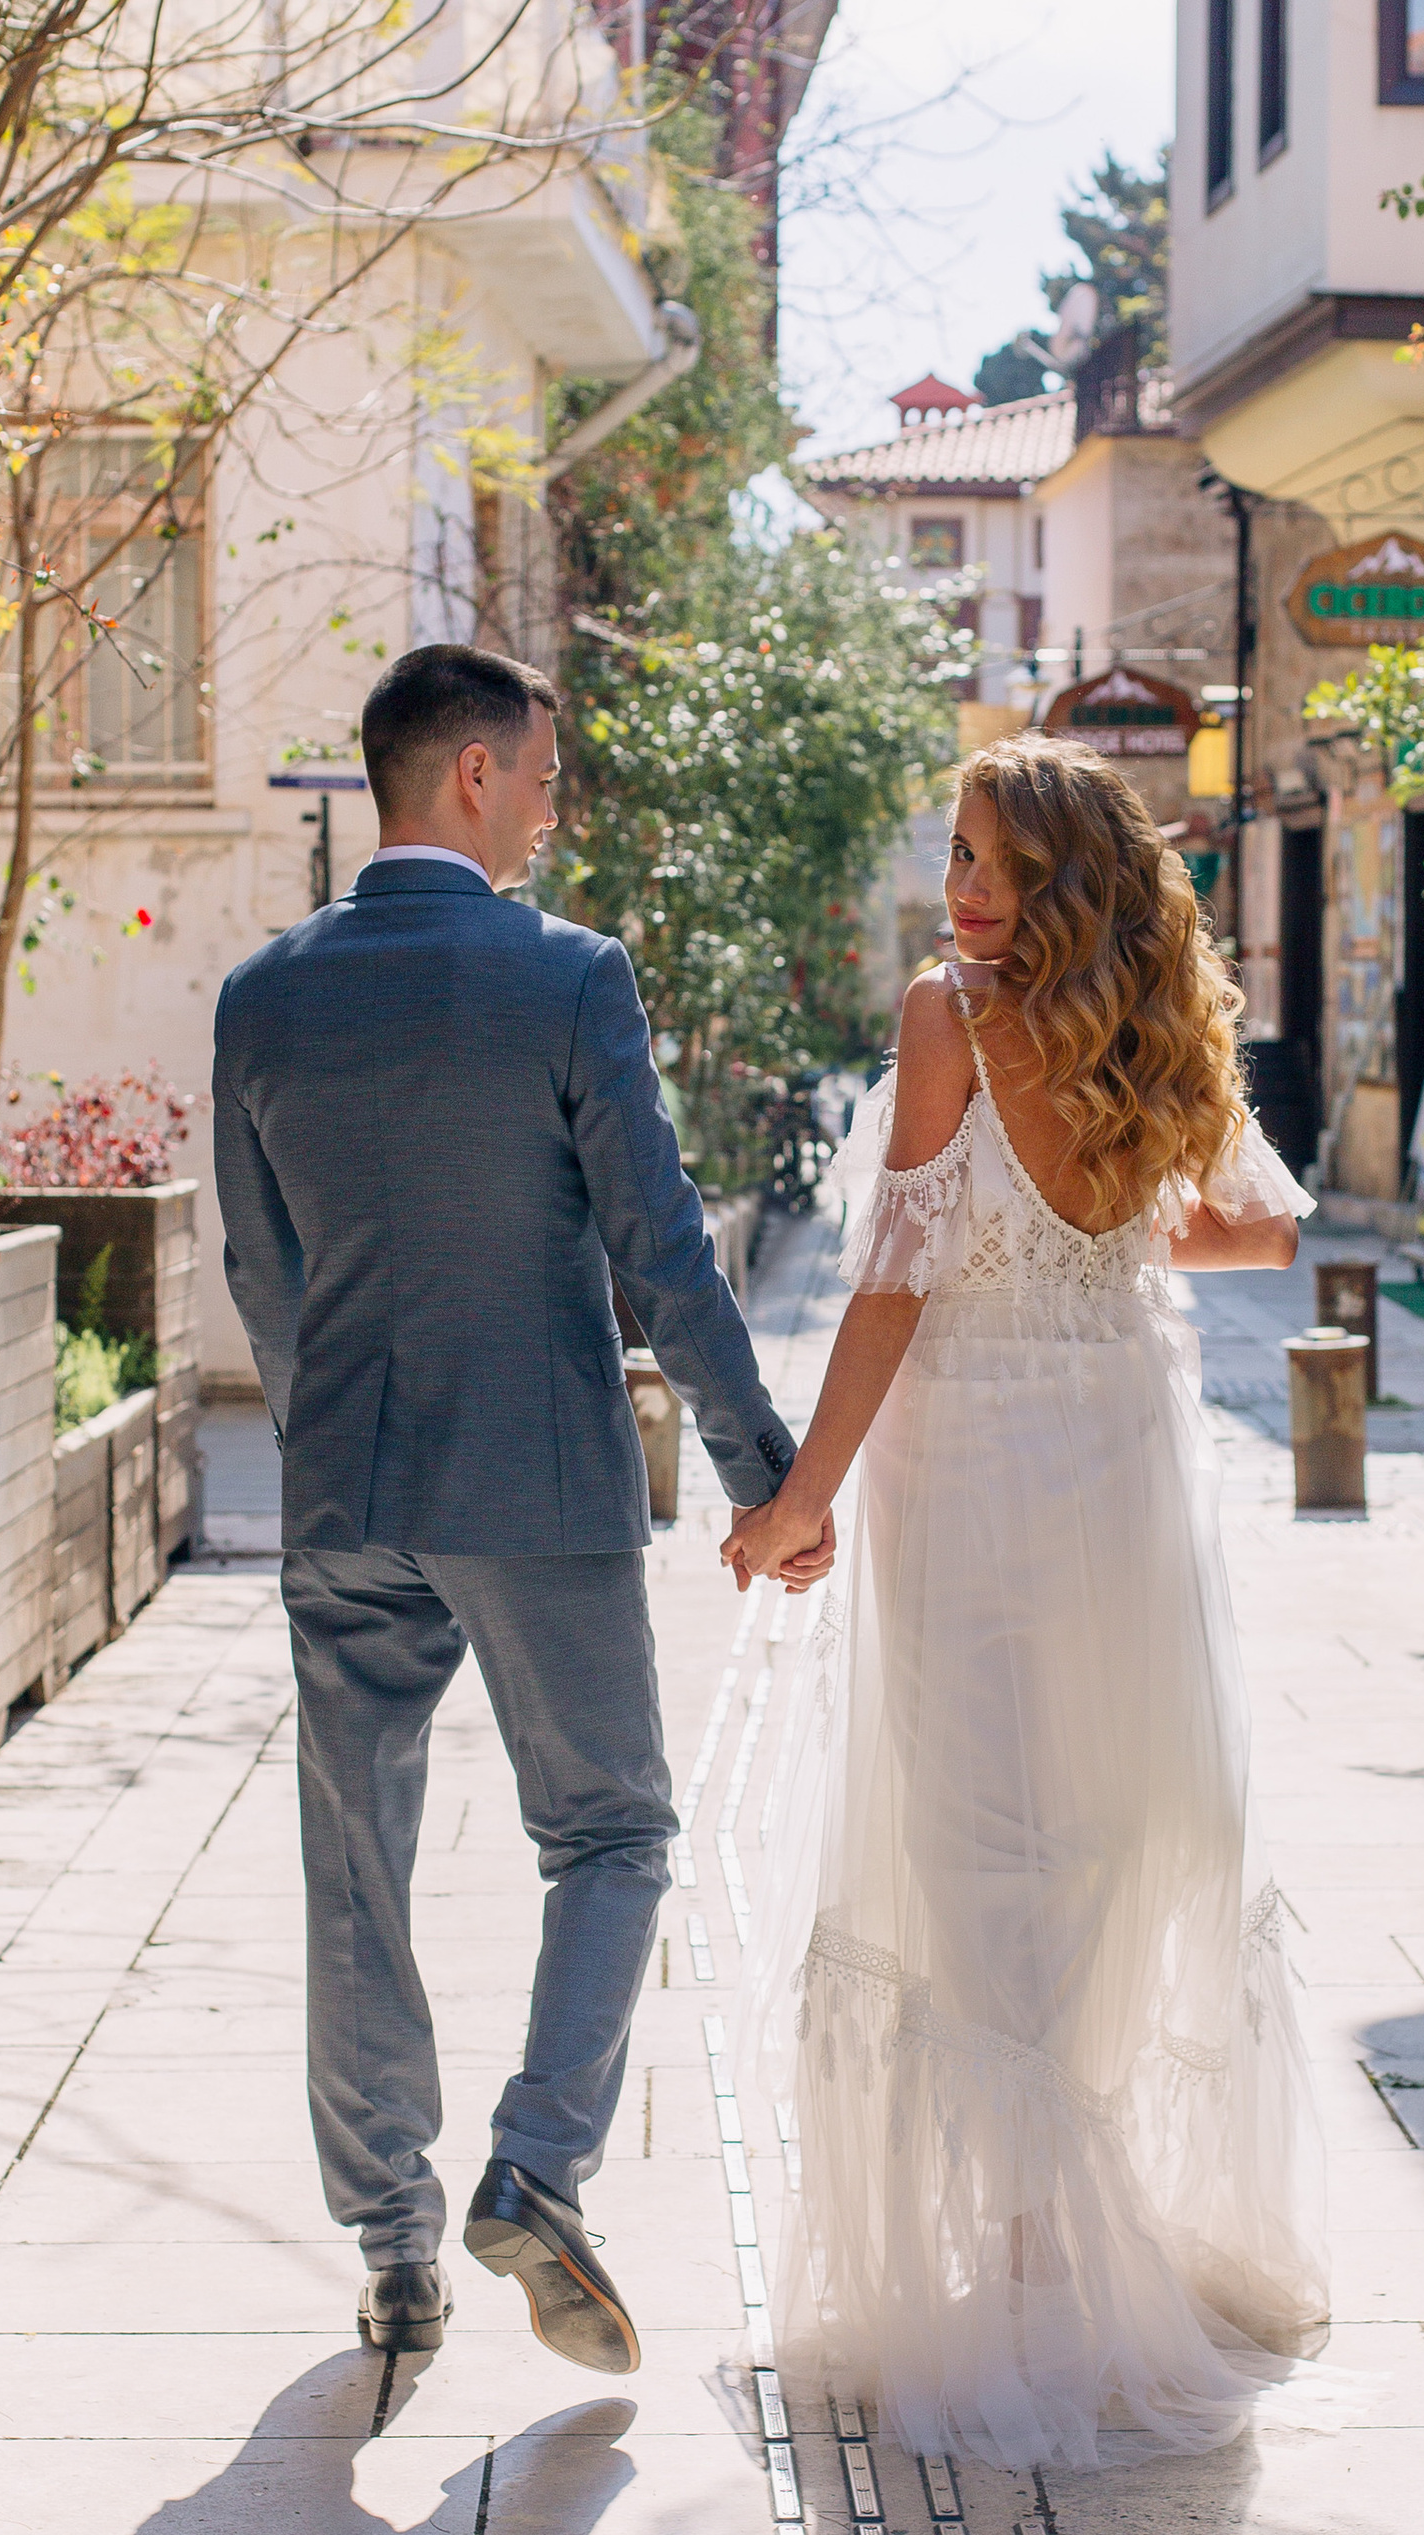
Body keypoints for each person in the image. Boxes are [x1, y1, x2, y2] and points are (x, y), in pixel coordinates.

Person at [214, 642, 832, 2379]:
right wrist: (764, 1474)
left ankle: (393, 2251)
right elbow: (662, 1252)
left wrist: (330, 1439)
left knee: (356, 1860)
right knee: (613, 1831)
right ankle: (539, 2169)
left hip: (345, 1487)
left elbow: (263, 1271)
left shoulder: (263, 996)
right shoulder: (568, 976)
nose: (553, 811)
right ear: (472, 774)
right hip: (535, 1481)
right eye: (544, 777)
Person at [729, 733, 1336, 2469]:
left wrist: (797, 1499)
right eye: (956, 855)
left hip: (978, 1476)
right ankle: (1072, 2230)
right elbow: (1260, 1231)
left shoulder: (947, 1016)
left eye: (993, 861)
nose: (964, 890)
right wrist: (1113, 1233)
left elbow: (895, 1281)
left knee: (980, 1836)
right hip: (1125, 1456)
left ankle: (1021, 2258)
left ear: (1062, 879)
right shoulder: (1152, 1011)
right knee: (1102, 1826)